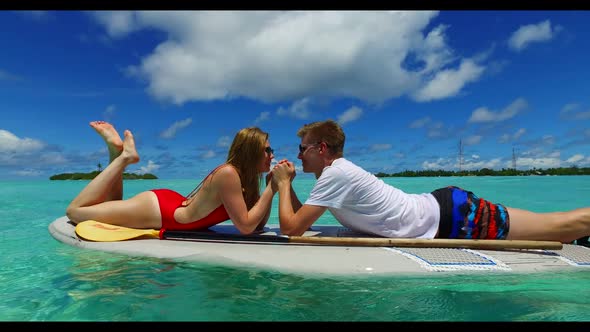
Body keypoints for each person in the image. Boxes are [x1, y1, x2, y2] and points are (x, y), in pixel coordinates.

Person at [270, 119, 590, 243]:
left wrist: (283, 184)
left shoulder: (336, 173)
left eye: (303, 148)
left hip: (453, 218)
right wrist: (288, 185)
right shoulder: (333, 174)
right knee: (549, 225)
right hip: (447, 209)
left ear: (321, 148)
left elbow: (290, 228)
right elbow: (300, 220)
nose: (298, 156)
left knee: (555, 227)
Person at [66, 121, 277, 234]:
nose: (272, 155)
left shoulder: (246, 180)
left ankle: (116, 152)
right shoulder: (228, 174)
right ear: (251, 152)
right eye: (267, 150)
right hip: (160, 211)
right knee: (76, 212)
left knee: (113, 207)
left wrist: (268, 186)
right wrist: (272, 189)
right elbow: (246, 227)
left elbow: (257, 224)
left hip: (172, 205)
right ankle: (124, 158)